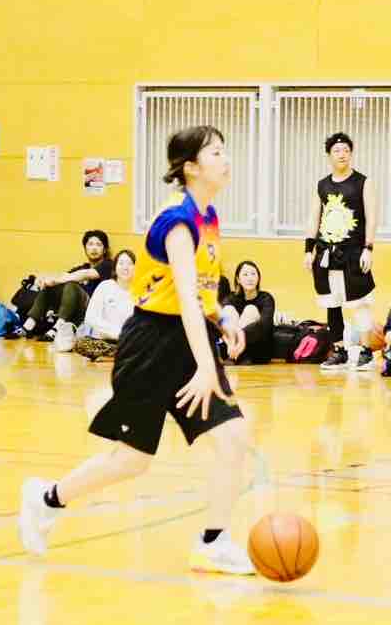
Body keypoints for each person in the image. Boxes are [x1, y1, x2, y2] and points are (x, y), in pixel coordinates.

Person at [18, 124, 256, 577]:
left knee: (233, 437)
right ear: (191, 167)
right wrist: (207, 366)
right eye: (216, 152)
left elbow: (202, 291)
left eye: (225, 151)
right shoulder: (177, 222)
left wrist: (223, 316)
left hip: (187, 337)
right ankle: (46, 499)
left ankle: (214, 542)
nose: (226, 159)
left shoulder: (209, 216)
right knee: (133, 459)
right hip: (150, 345)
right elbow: (183, 297)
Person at [303, 132, 377, 371]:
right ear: (329, 155)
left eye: (346, 150)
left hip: (354, 252)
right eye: (336, 150)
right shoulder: (322, 185)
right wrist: (308, 250)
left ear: (351, 153)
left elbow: (372, 217)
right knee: (332, 303)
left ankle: (365, 351)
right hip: (327, 253)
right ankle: (340, 351)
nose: (342, 154)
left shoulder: (362, 182)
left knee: (360, 302)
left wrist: (368, 248)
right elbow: (314, 217)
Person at [21, 229, 114, 342]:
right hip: (74, 311)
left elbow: (86, 274)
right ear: (85, 248)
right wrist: (44, 280)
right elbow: (63, 276)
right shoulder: (81, 267)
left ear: (104, 250)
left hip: (91, 311)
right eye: (90, 244)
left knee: (70, 284)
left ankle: (58, 327)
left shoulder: (108, 265)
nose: (94, 248)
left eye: (98, 245)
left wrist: (56, 280)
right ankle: (28, 325)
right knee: (52, 286)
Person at [222, 260, 276, 365]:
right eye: (245, 274)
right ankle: (236, 355)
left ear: (258, 278)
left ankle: (239, 355)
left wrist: (240, 334)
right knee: (228, 310)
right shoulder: (231, 298)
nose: (250, 278)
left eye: (253, 274)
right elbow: (221, 323)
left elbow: (265, 324)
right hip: (231, 347)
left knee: (250, 309)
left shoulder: (266, 298)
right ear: (238, 279)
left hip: (258, 350)